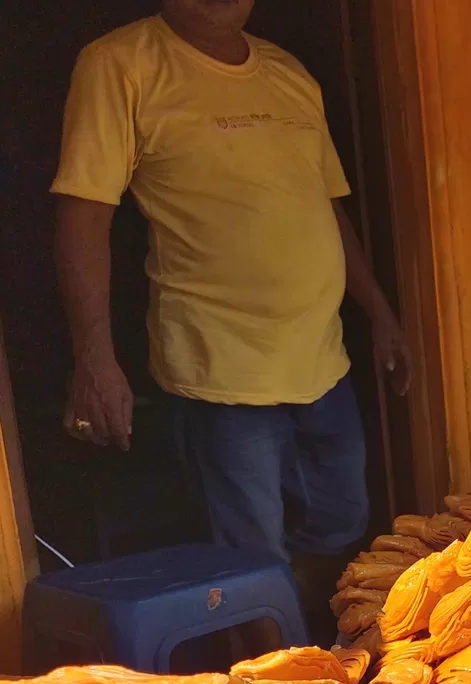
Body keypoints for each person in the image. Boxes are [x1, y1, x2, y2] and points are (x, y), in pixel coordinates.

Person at [50, 0, 407, 583]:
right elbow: (83, 215)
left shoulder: (289, 73)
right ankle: (271, 660)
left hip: (321, 356)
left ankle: (306, 642)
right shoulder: (120, 64)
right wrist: (94, 357)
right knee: (251, 557)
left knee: (344, 519)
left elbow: (326, 206)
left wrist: (380, 314)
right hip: (220, 371)